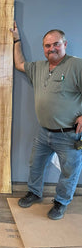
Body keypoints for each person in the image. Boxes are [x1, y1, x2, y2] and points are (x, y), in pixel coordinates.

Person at [10, 22, 82, 220]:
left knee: (69, 171)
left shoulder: (77, 65)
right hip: (43, 132)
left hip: (69, 134)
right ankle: (34, 192)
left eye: (56, 44)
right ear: (43, 48)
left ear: (65, 44)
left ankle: (60, 202)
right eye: (47, 45)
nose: (52, 48)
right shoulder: (39, 68)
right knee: (35, 164)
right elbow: (19, 64)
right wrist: (16, 39)